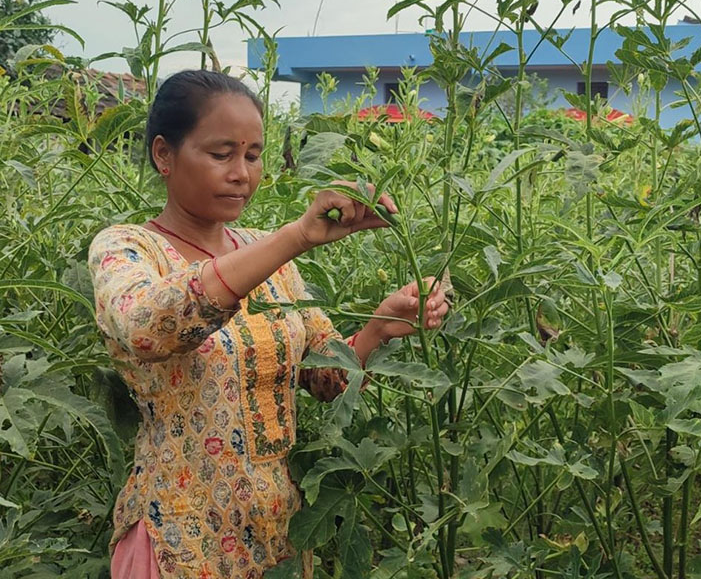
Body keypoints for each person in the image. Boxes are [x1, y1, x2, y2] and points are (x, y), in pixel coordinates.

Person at [88, 70, 449, 579]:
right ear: (164, 155)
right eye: (221, 155)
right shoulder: (127, 248)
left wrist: (381, 326)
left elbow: (326, 378)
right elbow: (148, 326)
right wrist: (294, 237)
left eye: (253, 156)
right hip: (179, 539)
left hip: (277, 536)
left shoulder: (274, 260)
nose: (242, 173)